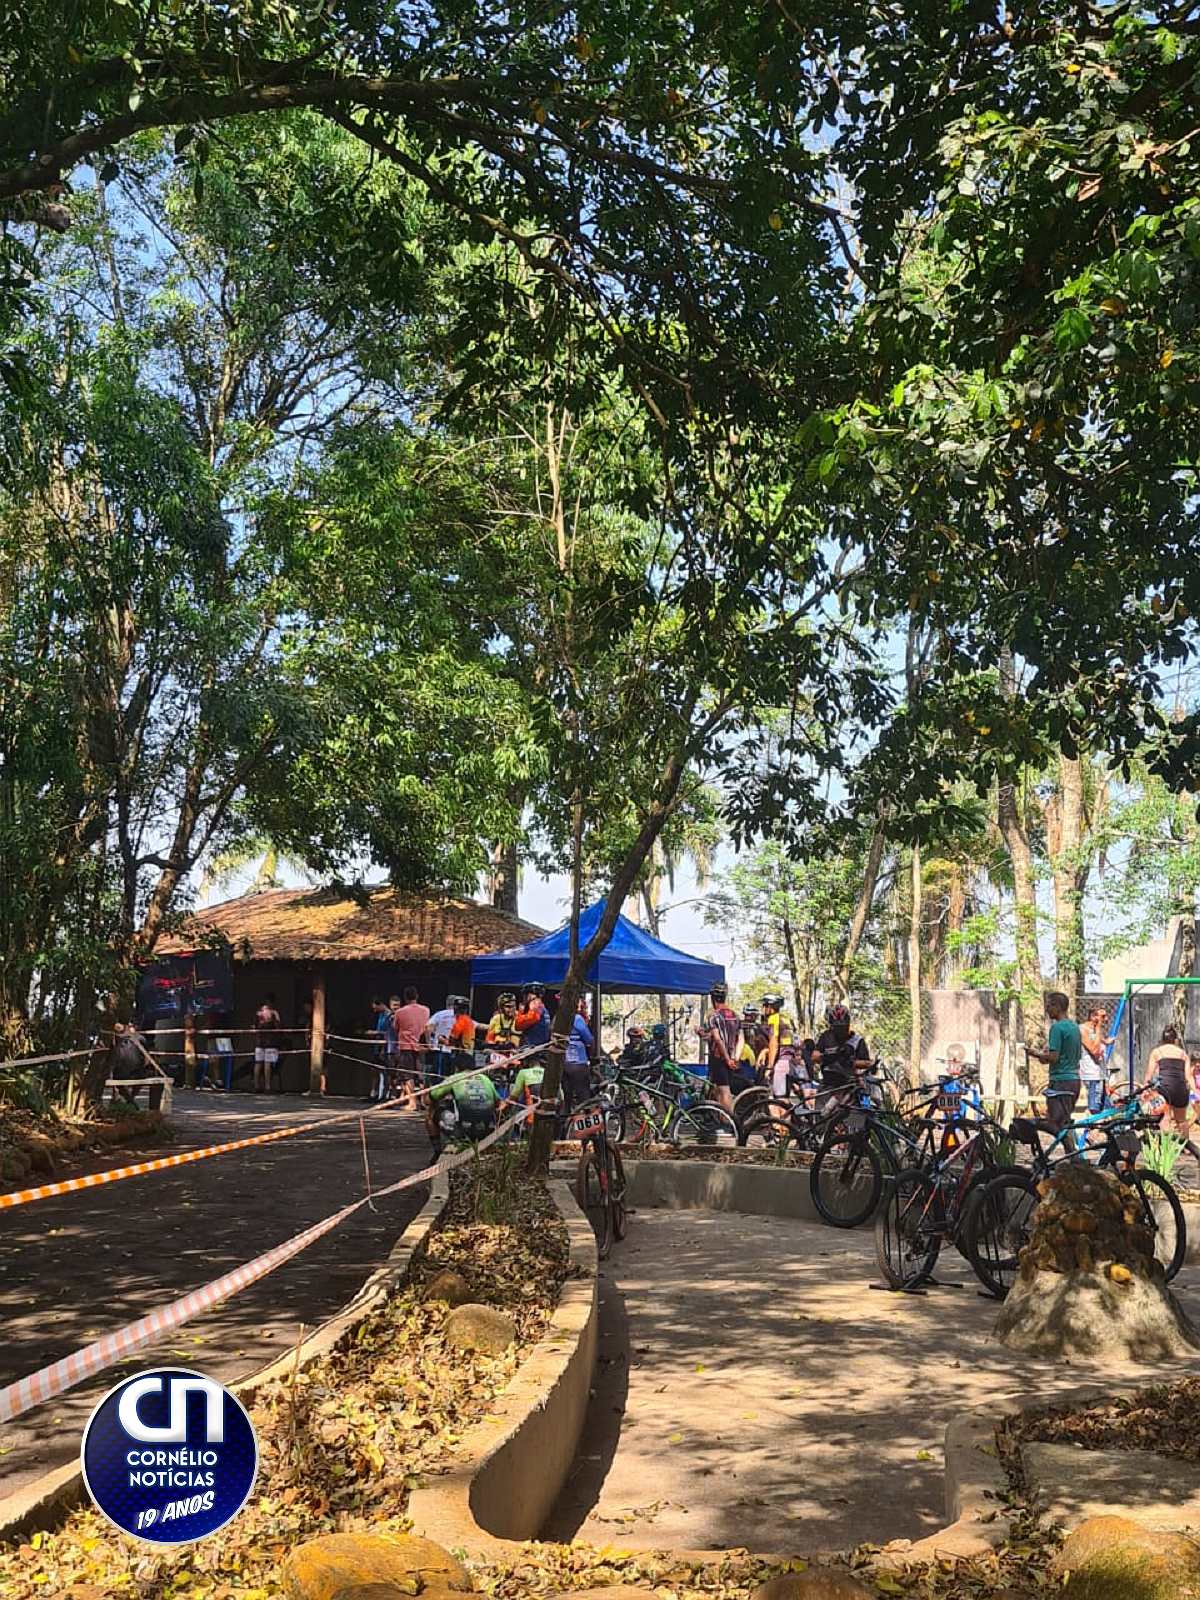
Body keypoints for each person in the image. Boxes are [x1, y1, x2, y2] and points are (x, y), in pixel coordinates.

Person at [1025, 992, 1083, 1139]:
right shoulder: (1074, 1027)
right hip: (1074, 1080)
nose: (1047, 1009)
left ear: (1058, 1007)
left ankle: (1030, 1127)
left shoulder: (1057, 1028)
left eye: (1049, 1005)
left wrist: (1035, 1054)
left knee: (1054, 1124)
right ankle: (1073, 1156)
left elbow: (1054, 1057)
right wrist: (1046, 1057)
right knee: (1063, 1124)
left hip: (1060, 1082)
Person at [426, 1066, 499, 1152]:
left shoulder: (454, 1078)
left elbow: (430, 1098)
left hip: (464, 1127)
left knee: (431, 1114)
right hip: (486, 1126)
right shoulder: (485, 1078)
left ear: (456, 1068)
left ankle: (437, 1150)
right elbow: (498, 1101)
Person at [698, 982, 739, 1113]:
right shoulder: (734, 1015)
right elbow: (741, 1038)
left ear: (713, 998)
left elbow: (718, 1039)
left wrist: (726, 1059)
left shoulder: (714, 1016)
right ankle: (722, 1118)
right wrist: (734, 1058)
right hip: (731, 1057)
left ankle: (730, 1123)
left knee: (724, 1090)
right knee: (718, 1089)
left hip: (719, 1057)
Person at [812, 1003, 871, 1090]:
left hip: (850, 1082)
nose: (840, 1031)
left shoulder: (857, 1040)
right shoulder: (826, 1036)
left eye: (843, 1027)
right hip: (829, 1082)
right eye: (837, 1028)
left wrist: (850, 1062)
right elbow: (814, 1056)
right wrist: (831, 1056)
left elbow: (867, 1063)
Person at [1148, 1023, 1190, 1139]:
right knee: (1181, 1120)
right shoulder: (1183, 1054)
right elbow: (1188, 1077)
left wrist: (1146, 1090)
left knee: (1165, 1118)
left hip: (1164, 1088)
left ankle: (1166, 1147)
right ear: (1175, 1040)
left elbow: (1149, 1075)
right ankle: (1186, 1147)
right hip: (1180, 1088)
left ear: (1162, 1039)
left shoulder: (1157, 1052)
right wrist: (1195, 1091)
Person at [392, 985, 430, 1110]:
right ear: (417, 996)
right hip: (420, 1046)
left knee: (408, 1076)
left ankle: (412, 1102)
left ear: (405, 997)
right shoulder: (426, 1010)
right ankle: (424, 1101)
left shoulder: (400, 1012)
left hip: (406, 1046)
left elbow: (395, 1028)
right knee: (420, 1074)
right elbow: (427, 1028)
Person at [1079, 1005, 1114, 1113]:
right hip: (1092, 1074)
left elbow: (1103, 1041)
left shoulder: (1095, 1031)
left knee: (1107, 1108)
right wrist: (1098, 1028)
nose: (1106, 1020)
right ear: (1093, 1016)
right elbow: (1095, 1051)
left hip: (1100, 1074)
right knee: (1095, 1108)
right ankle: (1091, 1129)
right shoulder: (1083, 1030)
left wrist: (1107, 1041)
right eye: (1103, 1017)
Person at [562, 1000, 595, 1110]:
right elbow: (589, 1039)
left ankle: (565, 1123)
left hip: (564, 1063)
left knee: (567, 1097)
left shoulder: (558, 1018)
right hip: (578, 1063)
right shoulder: (577, 1019)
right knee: (584, 1097)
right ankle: (586, 1121)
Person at [254, 995, 282, 1093]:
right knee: (267, 1063)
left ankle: (256, 1086)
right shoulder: (274, 1013)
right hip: (270, 1041)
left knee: (258, 1063)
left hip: (259, 1041)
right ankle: (267, 1086)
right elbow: (278, 1027)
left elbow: (254, 1027)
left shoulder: (258, 1013)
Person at [426, 996, 457, 1082]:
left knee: (438, 1078)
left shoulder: (439, 1014)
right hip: (455, 1051)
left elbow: (428, 1028)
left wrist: (429, 1044)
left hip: (440, 1050)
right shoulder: (461, 1016)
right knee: (452, 1078)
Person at [515, 983, 552, 1052]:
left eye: (525, 995)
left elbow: (518, 1026)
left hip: (533, 1050)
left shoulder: (535, 1007)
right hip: (541, 1048)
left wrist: (520, 1012)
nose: (524, 998)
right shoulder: (543, 1008)